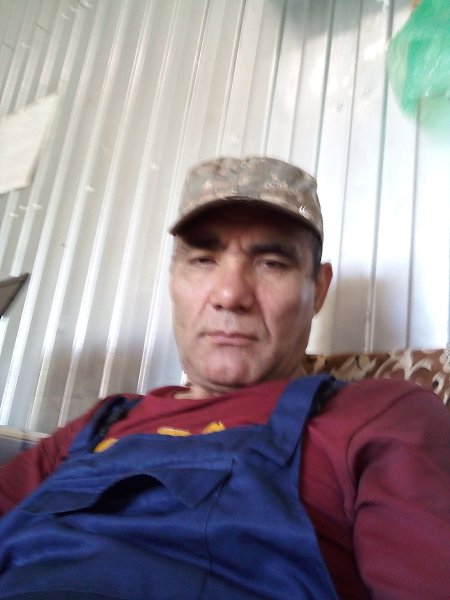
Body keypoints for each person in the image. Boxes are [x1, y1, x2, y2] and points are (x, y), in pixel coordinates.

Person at [0, 156, 449, 600]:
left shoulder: (381, 416)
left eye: (272, 262)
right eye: (202, 260)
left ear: (319, 289)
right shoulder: (101, 422)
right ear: (173, 279)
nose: (230, 294)